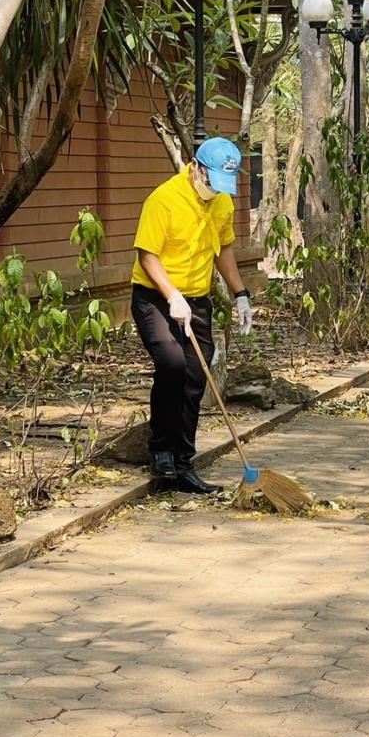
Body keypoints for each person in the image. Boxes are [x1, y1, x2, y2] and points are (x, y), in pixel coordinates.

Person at [131, 137, 253, 493]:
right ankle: (161, 454)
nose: (215, 190)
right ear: (196, 167)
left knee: (196, 377)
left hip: (197, 299)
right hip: (155, 297)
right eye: (211, 181)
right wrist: (172, 296)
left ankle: (182, 463)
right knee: (171, 364)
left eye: (221, 185)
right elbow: (147, 256)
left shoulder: (222, 203)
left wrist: (240, 294)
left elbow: (224, 249)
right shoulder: (164, 200)